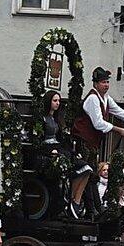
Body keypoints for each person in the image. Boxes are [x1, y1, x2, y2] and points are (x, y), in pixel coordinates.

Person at [73, 67, 124, 214]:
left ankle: (93, 208)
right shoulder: (92, 98)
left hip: (93, 144)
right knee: (87, 174)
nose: (106, 85)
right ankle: (80, 204)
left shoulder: (106, 99)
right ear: (95, 84)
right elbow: (98, 123)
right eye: (103, 82)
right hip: (84, 142)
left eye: (107, 82)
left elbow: (120, 112)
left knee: (92, 177)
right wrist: (119, 130)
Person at [41, 90, 93, 219]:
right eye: (55, 100)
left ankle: (75, 200)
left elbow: (61, 139)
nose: (57, 103)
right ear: (48, 101)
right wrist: (49, 151)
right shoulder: (42, 118)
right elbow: (39, 140)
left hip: (58, 148)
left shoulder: (57, 119)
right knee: (79, 168)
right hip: (49, 150)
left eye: (59, 101)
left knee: (87, 169)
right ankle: (70, 200)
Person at [84, 161, 123, 246]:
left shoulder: (114, 188)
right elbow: (99, 206)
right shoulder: (99, 186)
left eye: (109, 170)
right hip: (105, 224)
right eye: (105, 170)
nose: (106, 172)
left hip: (113, 224)